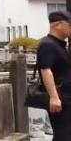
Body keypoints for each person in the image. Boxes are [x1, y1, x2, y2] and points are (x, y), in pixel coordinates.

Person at [36, 10, 71, 140]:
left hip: (66, 96)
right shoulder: (48, 45)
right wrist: (54, 97)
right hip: (60, 97)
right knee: (63, 134)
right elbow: (45, 69)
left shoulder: (59, 45)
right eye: (69, 25)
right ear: (57, 25)